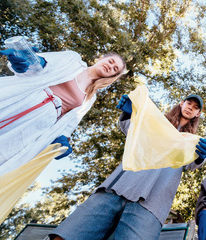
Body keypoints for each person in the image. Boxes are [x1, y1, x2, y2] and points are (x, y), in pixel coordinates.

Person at [49, 93, 206, 240]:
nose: (191, 108)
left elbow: (192, 164)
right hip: (117, 188)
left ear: (198, 114)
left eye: (195, 108)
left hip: (152, 203)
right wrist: (129, 113)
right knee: (67, 235)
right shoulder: (157, 122)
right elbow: (131, 129)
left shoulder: (193, 141)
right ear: (182, 103)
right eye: (189, 104)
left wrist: (200, 157)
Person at [0, 48, 126, 176]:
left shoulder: (90, 97)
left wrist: (63, 138)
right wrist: (30, 61)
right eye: (110, 61)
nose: (110, 67)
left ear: (112, 76)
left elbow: (71, 122)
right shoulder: (73, 60)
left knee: (7, 146)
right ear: (101, 58)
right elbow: (44, 64)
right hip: (24, 101)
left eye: (115, 69)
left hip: (38, 124)